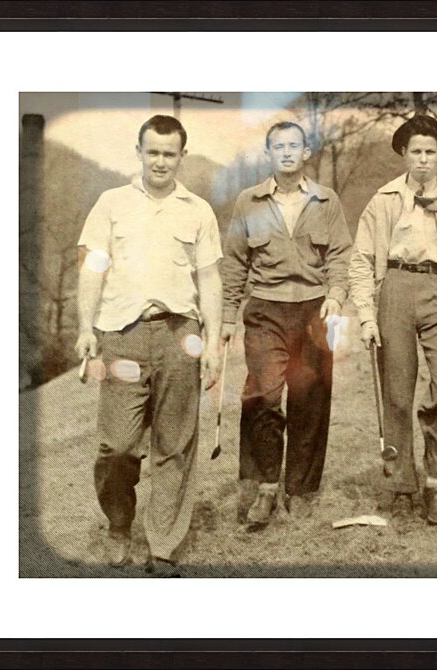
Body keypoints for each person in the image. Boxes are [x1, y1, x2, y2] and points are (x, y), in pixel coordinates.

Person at [74, 114, 223, 575]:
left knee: (175, 445)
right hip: (123, 336)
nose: (160, 161)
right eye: (152, 151)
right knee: (117, 445)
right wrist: (85, 328)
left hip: (182, 334)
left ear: (182, 156)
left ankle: (163, 546)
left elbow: (210, 278)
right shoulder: (111, 203)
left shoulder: (197, 209)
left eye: (169, 153)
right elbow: (93, 268)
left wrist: (213, 342)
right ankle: (120, 525)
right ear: (139, 153)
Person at [348, 114, 437, 525]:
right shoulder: (384, 200)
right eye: (416, 152)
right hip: (394, 289)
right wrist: (368, 318)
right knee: (397, 393)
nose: (423, 159)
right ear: (404, 155)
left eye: (430, 152)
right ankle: (401, 485)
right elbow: (361, 261)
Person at [220, 121, 352, 529]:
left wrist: (336, 294)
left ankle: (301, 490)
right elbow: (235, 264)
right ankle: (263, 487)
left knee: (310, 401)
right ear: (269, 153)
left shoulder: (326, 201)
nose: (288, 152)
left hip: (315, 310)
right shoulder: (249, 202)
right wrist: (226, 318)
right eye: (279, 146)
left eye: (295, 145)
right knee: (263, 393)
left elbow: (341, 257)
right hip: (266, 311)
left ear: (307, 152)